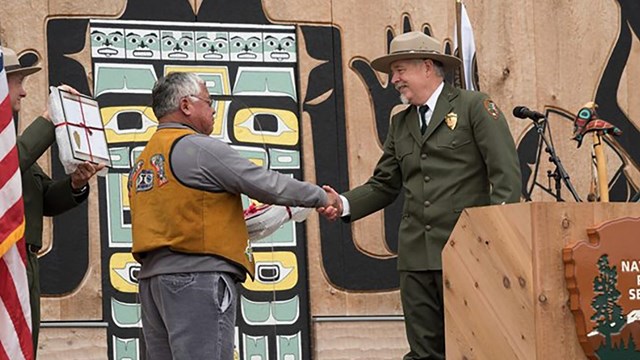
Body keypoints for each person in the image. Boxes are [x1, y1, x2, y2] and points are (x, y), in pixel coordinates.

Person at [319, 31, 522, 360]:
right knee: (424, 352)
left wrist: (494, 243)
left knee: (477, 344)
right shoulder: (400, 123)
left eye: (400, 70)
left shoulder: (475, 107)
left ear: (428, 67)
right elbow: (384, 184)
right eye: (394, 73)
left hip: (466, 250)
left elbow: (506, 178)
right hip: (416, 257)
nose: (395, 80)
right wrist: (341, 203)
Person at [128, 71, 337, 360]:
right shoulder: (197, 148)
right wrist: (322, 197)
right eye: (208, 101)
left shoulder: (144, 159)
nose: (213, 109)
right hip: (196, 278)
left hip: (154, 283)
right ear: (186, 106)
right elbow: (266, 184)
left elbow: (184, 214)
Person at [6, 46, 104, 354]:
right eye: (17, 81)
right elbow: (7, 167)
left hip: (26, 263)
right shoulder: (11, 146)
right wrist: (50, 120)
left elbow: (44, 198)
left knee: (24, 347)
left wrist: (75, 183)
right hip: (6, 260)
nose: (23, 92)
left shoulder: (9, 140)